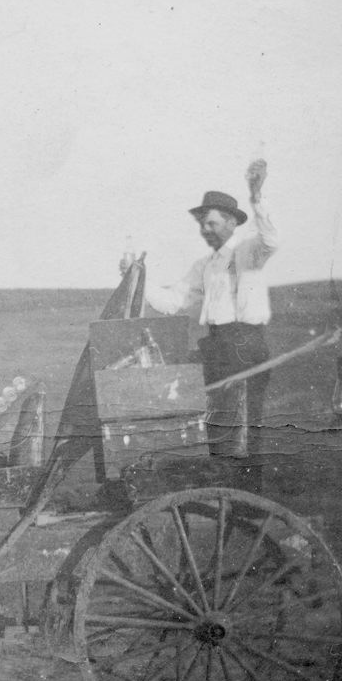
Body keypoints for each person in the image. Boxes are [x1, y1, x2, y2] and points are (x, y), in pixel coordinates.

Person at [131, 159, 276, 490]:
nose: (204, 230)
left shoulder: (250, 252)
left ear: (230, 222)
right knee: (213, 420)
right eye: (202, 225)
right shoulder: (205, 266)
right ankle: (220, 487)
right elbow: (173, 301)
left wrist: (257, 195)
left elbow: (271, 239)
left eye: (210, 224)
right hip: (217, 347)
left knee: (244, 424)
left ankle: (247, 495)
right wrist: (140, 275)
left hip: (246, 346)